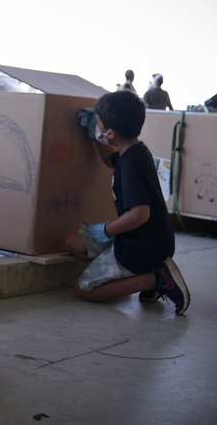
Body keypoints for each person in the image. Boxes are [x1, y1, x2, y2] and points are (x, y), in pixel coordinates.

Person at [68, 90, 189, 314]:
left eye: (99, 124)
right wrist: (92, 135)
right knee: (73, 242)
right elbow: (109, 159)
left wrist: (105, 230)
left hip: (142, 246)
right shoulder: (134, 151)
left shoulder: (131, 165)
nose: (98, 125)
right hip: (145, 238)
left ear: (111, 133)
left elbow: (139, 214)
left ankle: (156, 279)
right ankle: (149, 273)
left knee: (84, 289)